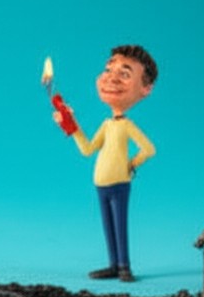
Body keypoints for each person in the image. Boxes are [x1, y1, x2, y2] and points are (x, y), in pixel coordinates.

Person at [54, 45, 157, 282]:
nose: (111, 77)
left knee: (120, 225)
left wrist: (132, 165)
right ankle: (113, 264)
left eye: (124, 73)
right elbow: (88, 149)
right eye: (108, 68)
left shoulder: (126, 125)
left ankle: (125, 267)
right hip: (100, 183)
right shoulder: (107, 125)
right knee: (108, 226)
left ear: (145, 89)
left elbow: (149, 149)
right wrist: (71, 124)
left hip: (120, 183)